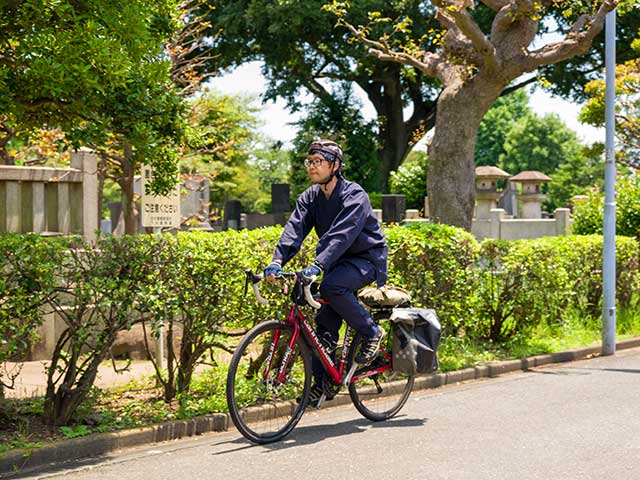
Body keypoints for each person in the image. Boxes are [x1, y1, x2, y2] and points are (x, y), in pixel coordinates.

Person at [263, 139, 388, 406]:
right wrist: (277, 261)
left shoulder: (355, 195)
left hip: (364, 259)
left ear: (335, 166)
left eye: (318, 161)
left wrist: (317, 266)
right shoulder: (310, 197)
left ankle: (371, 331)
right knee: (323, 321)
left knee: (332, 287)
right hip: (335, 263)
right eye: (310, 161)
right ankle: (322, 383)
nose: (312, 166)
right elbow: (294, 230)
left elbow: (341, 236)